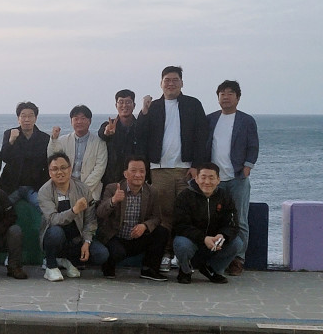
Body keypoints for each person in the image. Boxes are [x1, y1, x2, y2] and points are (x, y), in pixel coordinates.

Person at [137, 66, 208, 272]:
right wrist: (143, 111)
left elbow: (202, 136)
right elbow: (140, 135)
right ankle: (166, 254)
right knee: (164, 214)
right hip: (159, 169)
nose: (171, 83)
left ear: (182, 83)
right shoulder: (153, 107)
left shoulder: (193, 105)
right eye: (167, 80)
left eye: (175, 80)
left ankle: (186, 255)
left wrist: (196, 166)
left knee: (187, 214)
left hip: (186, 170)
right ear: (161, 83)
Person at [206, 80, 259, 276]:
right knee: (214, 220)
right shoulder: (210, 119)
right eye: (222, 93)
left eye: (230, 93)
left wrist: (247, 166)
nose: (226, 97)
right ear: (218, 97)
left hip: (237, 178)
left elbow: (253, 146)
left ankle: (238, 259)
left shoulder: (246, 121)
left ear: (238, 98)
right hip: (214, 181)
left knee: (240, 220)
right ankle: (216, 257)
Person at [96, 156, 169, 281]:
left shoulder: (152, 192)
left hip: (137, 237)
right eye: (133, 171)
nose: (138, 175)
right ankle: (108, 265)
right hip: (116, 237)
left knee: (162, 232)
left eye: (142, 171)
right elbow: (100, 213)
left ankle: (149, 270)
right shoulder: (113, 188)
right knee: (117, 252)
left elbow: (157, 218)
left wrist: (145, 226)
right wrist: (113, 201)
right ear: (125, 173)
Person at [38, 152, 109, 282]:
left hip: (77, 238)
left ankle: (67, 261)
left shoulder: (83, 189)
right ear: (49, 173)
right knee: (55, 232)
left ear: (70, 169)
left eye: (63, 168)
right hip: (55, 236)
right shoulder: (44, 191)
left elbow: (90, 220)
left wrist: (87, 242)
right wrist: (74, 210)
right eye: (55, 169)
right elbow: (53, 219)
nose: (60, 172)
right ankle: (51, 265)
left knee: (101, 254)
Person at [173, 163, 241, 284]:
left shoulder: (225, 196)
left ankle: (212, 269)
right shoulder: (185, 196)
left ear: (218, 180)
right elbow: (180, 225)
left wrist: (222, 235)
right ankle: (185, 270)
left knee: (237, 243)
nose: (207, 182)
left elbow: (233, 224)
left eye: (211, 178)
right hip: (192, 241)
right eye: (203, 177)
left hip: (215, 242)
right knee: (181, 243)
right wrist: (203, 238)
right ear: (196, 178)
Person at [48, 105, 107, 201]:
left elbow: (99, 169)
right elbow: (52, 159)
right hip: (65, 190)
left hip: (90, 192)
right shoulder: (63, 140)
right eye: (76, 119)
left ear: (90, 121)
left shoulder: (99, 143)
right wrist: (54, 139)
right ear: (71, 121)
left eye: (83, 118)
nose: (79, 122)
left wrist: (82, 190)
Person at [0, 101, 50, 210]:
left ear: (35, 118)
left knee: (45, 209)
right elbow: (4, 157)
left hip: (34, 187)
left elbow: (47, 164)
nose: (27, 119)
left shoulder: (44, 138)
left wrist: (43, 188)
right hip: (12, 186)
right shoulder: (9, 134)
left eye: (30, 116)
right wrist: (11, 141)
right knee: (1, 209)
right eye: (23, 116)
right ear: (18, 118)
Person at [98, 89, 140, 190]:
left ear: (134, 105)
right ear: (116, 105)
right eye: (121, 102)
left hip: (134, 179)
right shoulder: (109, 125)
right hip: (111, 181)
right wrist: (107, 132)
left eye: (128, 102)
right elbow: (102, 133)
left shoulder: (140, 127)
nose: (124, 105)